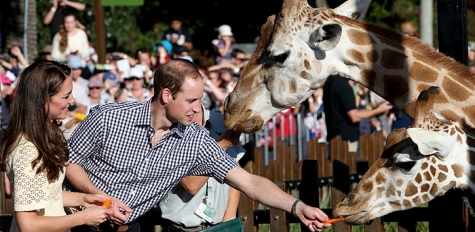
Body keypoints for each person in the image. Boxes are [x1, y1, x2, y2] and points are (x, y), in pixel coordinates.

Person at [65, 59, 330, 232]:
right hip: (72, 219)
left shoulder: (196, 140)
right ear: (166, 94)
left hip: (127, 227)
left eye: (200, 100)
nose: (197, 108)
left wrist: (298, 207)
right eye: (191, 100)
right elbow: (68, 162)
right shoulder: (108, 117)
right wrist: (100, 198)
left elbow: (249, 183)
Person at [0, 60, 113, 232]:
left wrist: (82, 199)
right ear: (43, 101)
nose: (72, 100)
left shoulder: (40, 139)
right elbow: (28, 225)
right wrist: (82, 217)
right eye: (66, 96)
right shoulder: (28, 151)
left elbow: (47, 194)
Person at [159, 103, 246, 231]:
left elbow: (235, 171)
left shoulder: (224, 123)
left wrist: (230, 217)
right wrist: (220, 146)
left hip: (221, 226)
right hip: (183, 228)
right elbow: (191, 185)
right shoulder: (166, 127)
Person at [323, 75, 392, 153]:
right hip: (345, 141)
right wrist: (379, 110)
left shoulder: (330, 82)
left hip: (334, 137)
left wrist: (373, 105)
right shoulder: (342, 85)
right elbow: (354, 116)